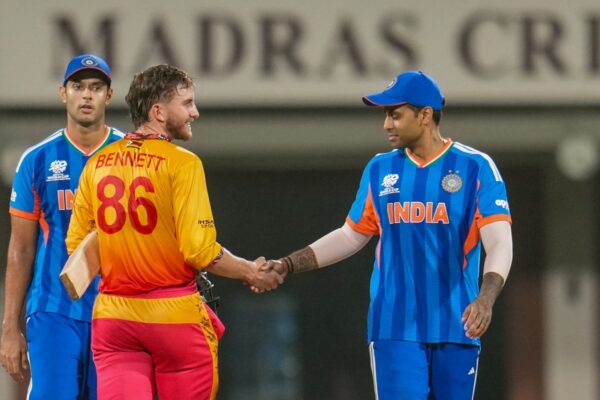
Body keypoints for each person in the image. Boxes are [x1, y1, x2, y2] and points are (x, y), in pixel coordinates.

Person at [266, 71, 513, 399]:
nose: (386, 125)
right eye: (386, 115)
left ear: (425, 115)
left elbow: (499, 242)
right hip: (394, 326)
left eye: (395, 115)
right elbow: (351, 235)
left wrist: (486, 298)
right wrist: (288, 263)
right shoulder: (380, 169)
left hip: (458, 323)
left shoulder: (475, 167)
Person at [65, 64, 281, 400]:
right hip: (174, 319)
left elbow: (76, 245)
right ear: (159, 112)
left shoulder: (96, 164)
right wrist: (249, 270)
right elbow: (200, 251)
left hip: (114, 318)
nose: (195, 112)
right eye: (188, 103)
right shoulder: (183, 163)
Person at [0, 54, 123, 399]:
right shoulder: (37, 159)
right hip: (53, 309)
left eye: (96, 87)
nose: (87, 95)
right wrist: (9, 328)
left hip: (118, 310)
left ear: (109, 95)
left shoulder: (131, 155)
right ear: (63, 93)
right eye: (78, 86)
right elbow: (21, 248)